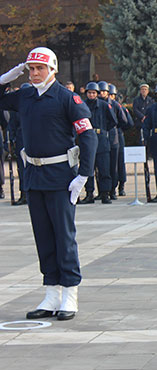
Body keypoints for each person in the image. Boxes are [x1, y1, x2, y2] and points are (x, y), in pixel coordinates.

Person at [0, 47, 97, 321]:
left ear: (52, 69)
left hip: (61, 177)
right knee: (43, 237)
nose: (34, 73)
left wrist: (83, 175)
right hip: (34, 175)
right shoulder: (26, 96)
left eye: (39, 68)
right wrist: (7, 77)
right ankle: (52, 293)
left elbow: (88, 136)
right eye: (30, 69)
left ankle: (70, 293)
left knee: (63, 237)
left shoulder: (67, 98)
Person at [79, 82, 117, 205]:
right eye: (89, 93)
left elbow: (113, 121)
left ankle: (105, 194)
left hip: (101, 140)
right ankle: (89, 193)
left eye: (93, 93)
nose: (91, 95)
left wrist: (103, 130)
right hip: (87, 139)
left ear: (97, 93)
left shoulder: (104, 105)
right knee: (88, 168)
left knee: (104, 168)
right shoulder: (82, 105)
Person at [109, 84, 132, 197]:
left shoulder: (119, 107)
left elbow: (128, 123)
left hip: (118, 136)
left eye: (111, 95)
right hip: (107, 137)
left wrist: (118, 128)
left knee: (120, 163)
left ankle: (121, 186)